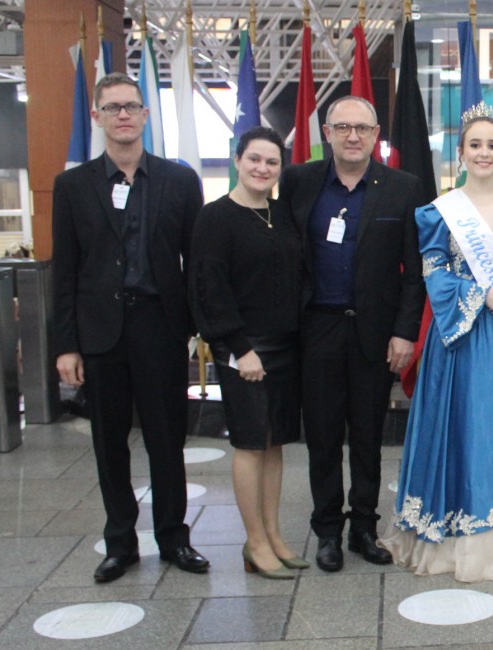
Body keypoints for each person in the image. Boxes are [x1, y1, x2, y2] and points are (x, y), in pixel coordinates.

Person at [380, 103, 493, 581]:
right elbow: (434, 273)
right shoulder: (438, 213)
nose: (484, 153)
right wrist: (483, 294)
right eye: (475, 144)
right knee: (466, 427)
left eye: (492, 145)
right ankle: (457, 531)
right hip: (462, 339)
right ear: (460, 153)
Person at [51, 72, 209, 583]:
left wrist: (198, 327)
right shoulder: (73, 186)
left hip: (160, 328)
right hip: (100, 334)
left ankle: (174, 540)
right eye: (112, 107)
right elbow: (66, 269)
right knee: (109, 441)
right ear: (96, 117)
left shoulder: (180, 181)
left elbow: (197, 261)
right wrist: (66, 344)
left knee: (167, 440)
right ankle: (120, 542)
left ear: (145, 115)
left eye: (131, 106)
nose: (123, 115)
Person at [277, 95, 430, 572]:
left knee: (367, 436)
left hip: (374, 333)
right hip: (316, 327)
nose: (352, 136)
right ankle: (327, 531)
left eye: (362, 129)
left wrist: (405, 332)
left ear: (375, 135)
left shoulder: (402, 188)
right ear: (327, 133)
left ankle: (364, 526)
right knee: (321, 437)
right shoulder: (299, 181)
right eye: (342, 127)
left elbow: (414, 271)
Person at [189, 127, 306, 579]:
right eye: (254, 159)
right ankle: (254, 542)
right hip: (246, 350)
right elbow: (208, 289)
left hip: (285, 346)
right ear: (238, 160)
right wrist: (241, 348)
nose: (262, 168)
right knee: (250, 444)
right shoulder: (215, 217)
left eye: (272, 162)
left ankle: (274, 534)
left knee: (276, 444)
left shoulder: (281, 213)